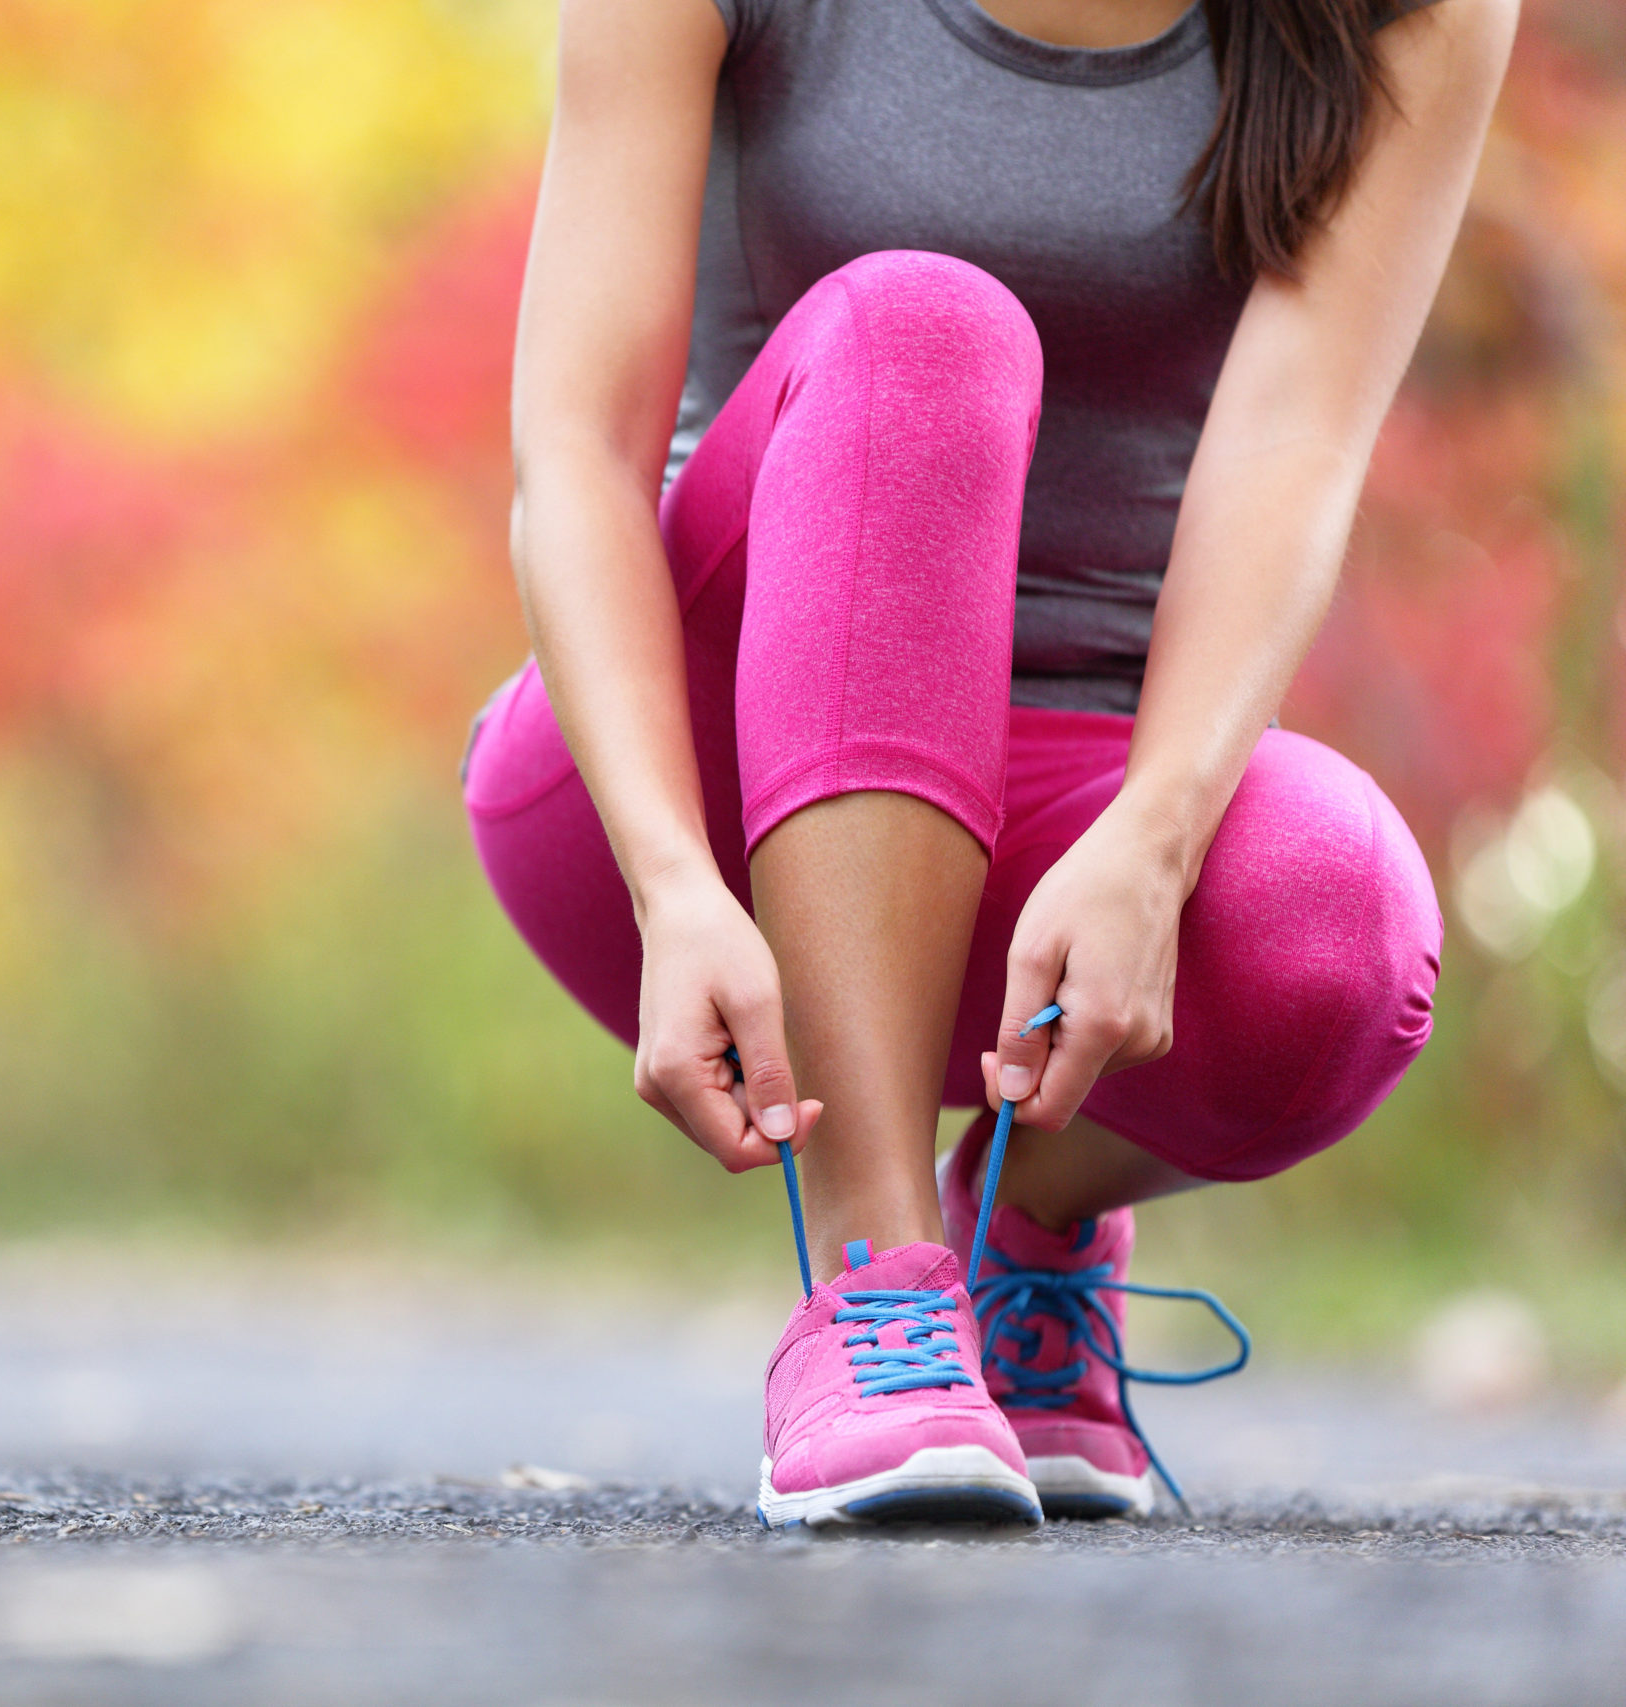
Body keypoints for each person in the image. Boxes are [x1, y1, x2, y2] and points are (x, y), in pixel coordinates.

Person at [464, 0, 1514, 1527]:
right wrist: (672, 879)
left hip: (1073, 814)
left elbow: (1297, 438)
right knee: (923, 325)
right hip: (691, 783)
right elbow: (575, 448)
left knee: (1339, 923)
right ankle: (876, 1288)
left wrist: (1159, 836)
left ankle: (1025, 1226)